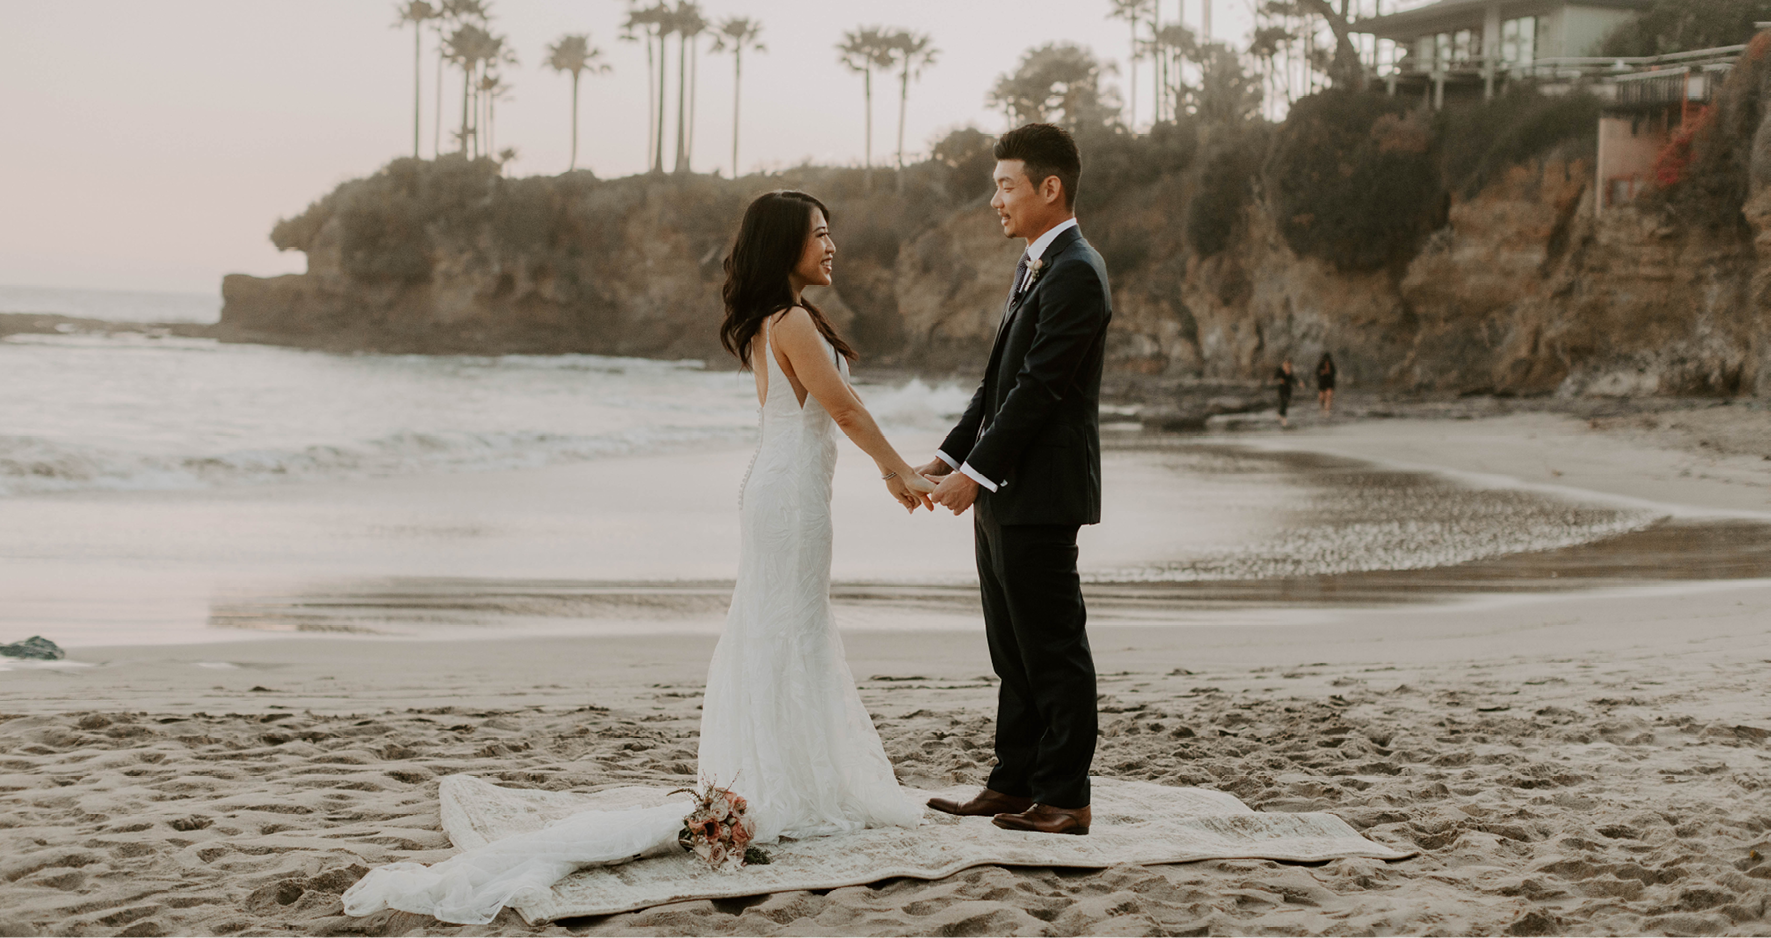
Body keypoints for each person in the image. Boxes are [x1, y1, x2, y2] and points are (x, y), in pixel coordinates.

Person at [340, 190, 931, 925]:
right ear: (784, 248)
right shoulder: (791, 321)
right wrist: (896, 471)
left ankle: (789, 777)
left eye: (830, 232)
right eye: (818, 234)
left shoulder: (774, 322)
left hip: (781, 490)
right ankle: (782, 785)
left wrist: (903, 467)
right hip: (789, 500)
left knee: (785, 630)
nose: (831, 244)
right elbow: (844, 410)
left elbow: (827, 413)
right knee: (786, 629)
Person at [918, 123, 1112, 837]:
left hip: (1040, 493)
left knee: (1052, 647)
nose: (994, 200)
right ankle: (1012, 783)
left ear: (1049, 188)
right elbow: (994, 387)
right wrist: (946, 459)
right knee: (1012, 647)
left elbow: (1038, 392)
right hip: (1005, 491)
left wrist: (975, 475)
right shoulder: (1035, 266)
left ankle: (1065, 796)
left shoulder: (1077, 272)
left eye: (1006, 186)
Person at [1274, 357, 1298, 428]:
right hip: (1281, 389)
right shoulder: (1280, 370)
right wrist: (1280, 379)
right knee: (1282, 402)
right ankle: (1283, 419)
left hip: (1288, 389)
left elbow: (1293, 379)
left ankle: (1280, 415)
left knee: (1286, 403)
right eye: (1287, 364)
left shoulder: (1290, 371)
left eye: (1289, 365)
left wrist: (1298, 383)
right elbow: (1275, 377)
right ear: (1284, 364)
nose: (1288, 366)